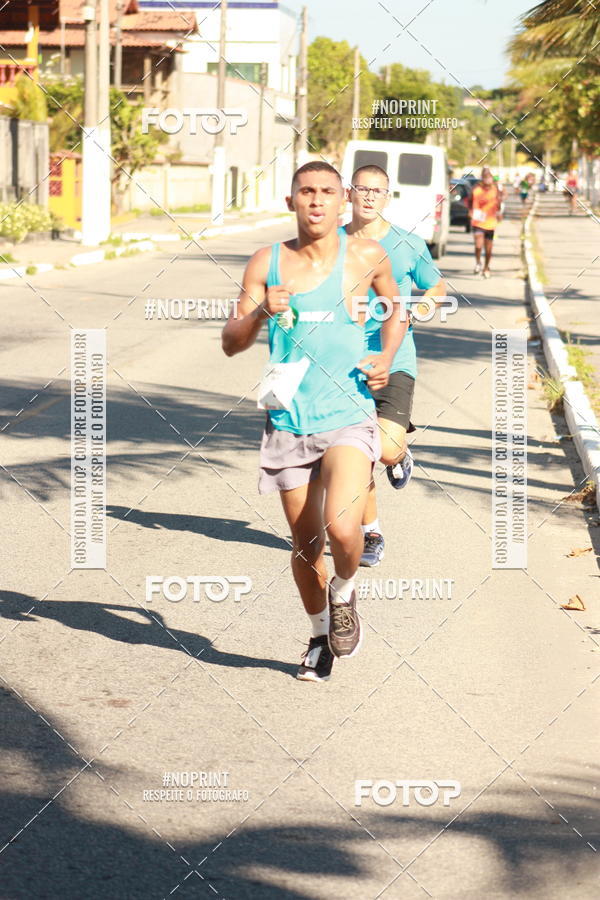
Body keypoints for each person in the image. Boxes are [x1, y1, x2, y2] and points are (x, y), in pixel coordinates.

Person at [221, 161, 407, 682]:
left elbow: (396, 309)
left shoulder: (367, 256)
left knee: (344, 529)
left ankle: (344, 593)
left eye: (327, 192)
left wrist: (386, 357)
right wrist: (259, 313)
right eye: (307, 192)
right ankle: (319, 636)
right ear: (291, 202)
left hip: (348, 412)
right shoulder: (267, 262)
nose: (318, 201)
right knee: (305, 546)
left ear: (342, 202)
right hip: (288, 419)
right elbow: (231, 341)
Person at [343, 164, 446, 567]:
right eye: (362, 189)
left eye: (377, 191)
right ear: (349, 193)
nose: (369, 197)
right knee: (358, 452)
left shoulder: (407, 243)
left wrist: (423, 304)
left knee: (384, 450)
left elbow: (435, 284)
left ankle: (399, 453)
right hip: (343, 361)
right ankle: (371, 532)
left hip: (394, 355)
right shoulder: (330, 243)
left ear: (388, 197)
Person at [469, 166, 502, 278]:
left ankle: (486, 267)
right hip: (478, 221)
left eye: (489, 178)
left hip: (490, 222)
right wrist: (470, 211)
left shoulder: (495, 188)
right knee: (478, 245)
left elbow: (498, 201)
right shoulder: (476, 189)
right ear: (482, 178)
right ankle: (478, 262)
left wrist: (499, 212)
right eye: (485, 178)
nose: (488, 180)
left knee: (488, 249)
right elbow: (469, 201)